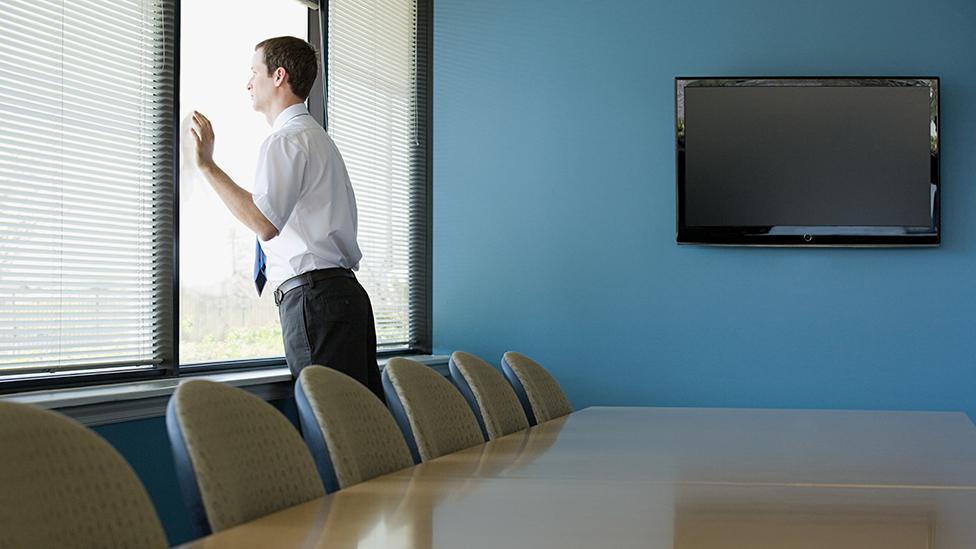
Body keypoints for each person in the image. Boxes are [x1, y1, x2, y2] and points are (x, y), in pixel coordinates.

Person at [189, 36, 383, 401]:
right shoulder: (318, 139)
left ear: (278, 76)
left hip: (316, 300)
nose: (248, 83)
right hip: (343, 296)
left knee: (334, 427)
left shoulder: (286, 141)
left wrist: (207, 165)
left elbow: (265, 222)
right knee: (360, 427)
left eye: (254, 72)